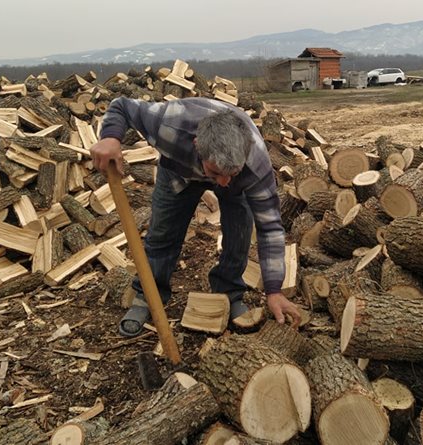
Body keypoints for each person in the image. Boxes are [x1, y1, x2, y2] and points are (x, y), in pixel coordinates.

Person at [90, 96, 301, 337]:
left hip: (239, 183)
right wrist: (110, 136)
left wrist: (274, 290)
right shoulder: (168, 123)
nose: (221, 182)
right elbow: (121, 106)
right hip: (179, 172)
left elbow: (270, 228)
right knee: (162, 233)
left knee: (239, 237)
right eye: (215, 172)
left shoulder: (255, 165)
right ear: (197, 144)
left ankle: (229, 294)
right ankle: (148, 296)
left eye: (229, 173)